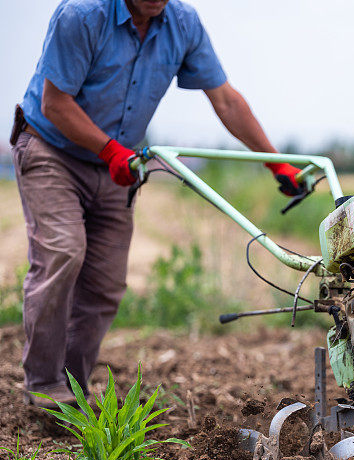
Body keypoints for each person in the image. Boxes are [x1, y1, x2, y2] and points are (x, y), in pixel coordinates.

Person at [10, 0, 304, 408]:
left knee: (105, 284)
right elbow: (54, 104)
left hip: (117, 163)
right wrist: (109, 149)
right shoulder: (81, 16)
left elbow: (225, 99)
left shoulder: (182, 24)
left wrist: (276, 163)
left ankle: (70, 390)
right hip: (51, 150)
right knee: (63, 252)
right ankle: (44, 386)